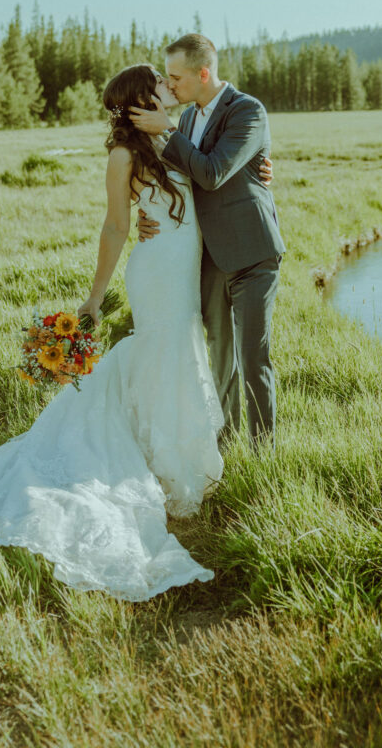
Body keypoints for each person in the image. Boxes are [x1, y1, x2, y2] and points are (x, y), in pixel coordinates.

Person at [0, 64, 235, 602]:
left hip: (185, 263)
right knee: (162, 345)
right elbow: (115, 226)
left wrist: (260, 168)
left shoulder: (178, 134)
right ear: (138, 101)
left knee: (174, 349)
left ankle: (165, 449)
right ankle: (158, 459)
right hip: (157, 269)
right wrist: (94, 297)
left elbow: (216, 172)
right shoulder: (123, 154)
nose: (168, 90)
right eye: (159, 85)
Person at [130, 33, 285, 451]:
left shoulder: (247, 111)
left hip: (253, 254)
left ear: (203, 73)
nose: (170, 84)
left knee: (254, 357)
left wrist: (166, 130)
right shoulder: (187, 119)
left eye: (176, 77)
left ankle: (263, 451)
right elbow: (177, 176)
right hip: (209, 256)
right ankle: (226, 442)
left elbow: (213, 172)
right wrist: (147, 212)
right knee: (220, 355)